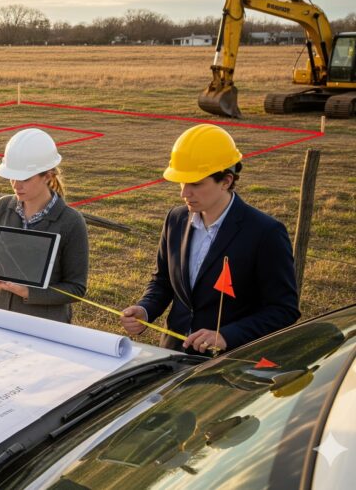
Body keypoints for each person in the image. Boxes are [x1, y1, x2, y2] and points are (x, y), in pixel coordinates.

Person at [120, 124, 300, 354]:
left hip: (231, 362)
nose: (184, 193)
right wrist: (145, 310)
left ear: (226, 181)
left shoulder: (266, 232)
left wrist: (226, 336)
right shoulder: (175, 219)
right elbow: (163, 281)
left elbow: (283, 310)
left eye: (195, 183)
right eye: (182, 182)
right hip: (173, 354)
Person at [0, 128, 89, 323]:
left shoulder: (71, 222)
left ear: (48, 175)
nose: (16, 185)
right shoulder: (1, 208)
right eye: (12, 177)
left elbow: (76, 289)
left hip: (42, 327)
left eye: (24, 179)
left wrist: (28, 292)